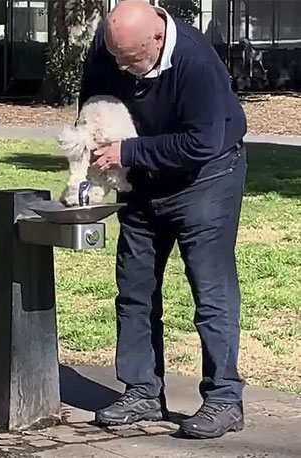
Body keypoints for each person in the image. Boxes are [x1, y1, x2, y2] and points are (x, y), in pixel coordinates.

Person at [79, 0, 248, 438]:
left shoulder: (194, 59)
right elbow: (93, 101)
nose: (123, 68)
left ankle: (224, 399)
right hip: (143, 181)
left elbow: (202, 143)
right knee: (134, 288)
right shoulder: (112, 48)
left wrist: (129, 151)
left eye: (130, 59)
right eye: (115, 57)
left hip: (206, 177)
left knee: (210, 293)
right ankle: (142, 392)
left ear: (157, 36)